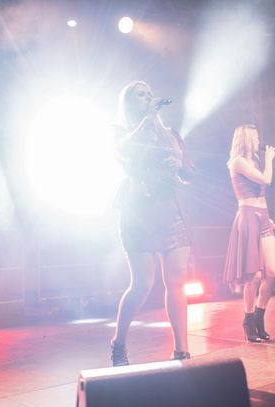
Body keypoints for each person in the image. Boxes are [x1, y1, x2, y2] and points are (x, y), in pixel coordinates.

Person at [110, 80, 194, 366]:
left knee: (177, 280)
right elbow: (127, 154)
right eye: (140, 94)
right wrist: (148, 118)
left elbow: (189, 173)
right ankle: (118, 343)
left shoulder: (170, 134)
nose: (147, 96)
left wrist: (179, 165)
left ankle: (181, 350)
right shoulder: (120, 132)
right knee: (142, 284)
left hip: (171, 214)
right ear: (129, 102)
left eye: (149, 93)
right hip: (139, 216)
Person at [223, 125, 275, 342]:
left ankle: (259, 316)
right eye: (255, 137)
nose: (258, 141)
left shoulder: (254, 161)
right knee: (253, 276)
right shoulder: (237, 162)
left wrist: (267, 217)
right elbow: (266, 180)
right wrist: (270, 160)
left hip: (263, 216)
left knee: (273, 273)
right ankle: (248, 321)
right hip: (247, 217)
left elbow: (262, 193)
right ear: (246, 139)